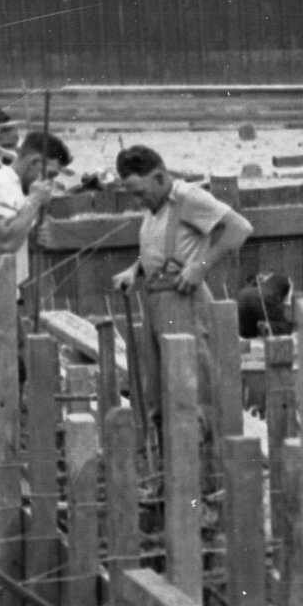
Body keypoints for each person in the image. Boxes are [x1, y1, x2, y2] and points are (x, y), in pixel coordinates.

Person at [0, 130, 69, 546]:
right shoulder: (3, 185)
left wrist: (34, 221)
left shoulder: (8, 188)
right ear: (35, 162)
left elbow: (14, 239)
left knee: (3, 384)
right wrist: (34, 203)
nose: (50, 183)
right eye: (50, 174)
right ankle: (2, 480)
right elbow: (3, 239)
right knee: (1, 390)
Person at [111, 147, 254, 429]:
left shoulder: (187, 197)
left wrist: (200, 266)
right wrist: (135, 270)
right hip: (155, 301)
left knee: (192, 386)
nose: (138, 200)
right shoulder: (155, 208)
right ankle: (171, 465)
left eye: (140, 192)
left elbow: (240, 228)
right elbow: (158, 250)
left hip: (182, 300)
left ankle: (204, 462)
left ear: (160, 177)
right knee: (160, 391)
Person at [236, 272, 293, 339]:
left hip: (242, 294)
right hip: (263, 296)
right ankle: (268, 327)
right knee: (287, 327)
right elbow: (286, 303)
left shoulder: (266, 278)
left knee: (248, 334)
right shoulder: (286, 282)